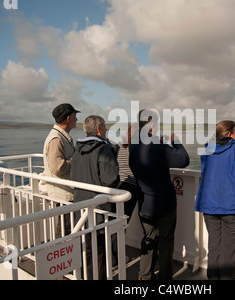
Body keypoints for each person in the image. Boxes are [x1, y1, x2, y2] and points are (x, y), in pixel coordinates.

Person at [129, 109, 190, 280]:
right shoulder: (157, 145)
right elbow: (183, 160)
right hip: (164, 204)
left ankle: (145, 276)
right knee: (165, 243)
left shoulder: (133, 145)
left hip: (144, 204)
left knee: (148, 240)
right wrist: (175, 141)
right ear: (152, 125)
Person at [194, 120, 235, 280]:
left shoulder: (207, 148)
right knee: (229, 252)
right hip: (232, 206)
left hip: (209, 205)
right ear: (229, 134)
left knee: (214, 247)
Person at [70, 115, 120, 280]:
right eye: (105, 126)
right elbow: (111, 179)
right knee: (100, 250)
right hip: (99, 208)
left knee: (86, 249)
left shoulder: (77, 149)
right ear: (99, 129)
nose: (106, 129)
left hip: (80, 206)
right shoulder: (104, 149)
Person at [43, 103, 80, 202]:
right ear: (68, 119)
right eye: (75, 116)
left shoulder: (61, 136)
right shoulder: (56, 139)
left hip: (65, 193)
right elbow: (57, 168)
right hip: (62, 196)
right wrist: (76, 160)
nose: (76, 119)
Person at [117, 123, 139, 222]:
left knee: (119, 220)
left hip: (120, 185)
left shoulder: (122, 146)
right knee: (123, 221)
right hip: (131, 187)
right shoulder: (135, 148)